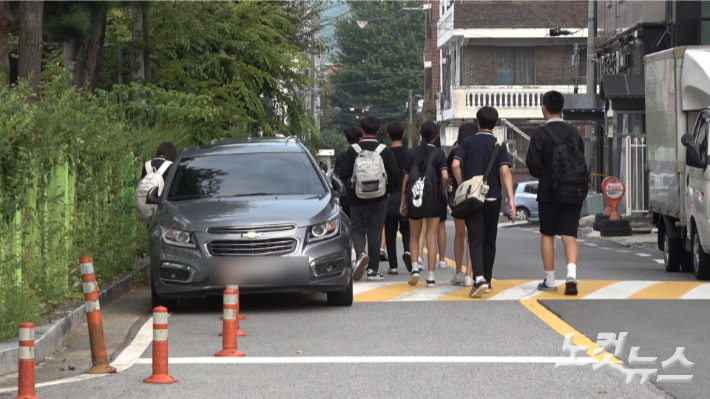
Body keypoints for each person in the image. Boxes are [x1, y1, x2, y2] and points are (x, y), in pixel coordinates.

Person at [525, 90, 585, 296]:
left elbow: (533, 166)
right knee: (570, 234)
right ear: (562, 109)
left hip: (548, 192)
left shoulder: (540, 135)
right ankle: (571, 276)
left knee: (548, 234)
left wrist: (547, 175)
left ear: (544, 108)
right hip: (573, 190)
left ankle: (550, 280)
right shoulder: (574, 133)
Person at [452, 107, 515, 298]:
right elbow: (505, 172)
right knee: (490, 239)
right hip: (493, 197)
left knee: (475, 238)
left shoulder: (468, 142)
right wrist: (511, 198)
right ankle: (487, 279)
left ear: (477, 121)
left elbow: (455, 164)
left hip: (473, 199)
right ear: (495, 123)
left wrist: (462, 185)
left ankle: (477, 278)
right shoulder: (499, 145)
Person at [339, 116, 400, 281]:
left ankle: (360, 254)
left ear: (362, 131)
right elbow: (395, 174)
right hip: (380, 198)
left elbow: (343, 174)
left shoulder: (353, 150)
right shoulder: (384, 150)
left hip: (357, 198)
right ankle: (373, 270)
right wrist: (389, 191)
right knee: (375, 232)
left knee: (357, 229)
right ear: (378, 131)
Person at [401, 121, 448, 287]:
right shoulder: (439, 154)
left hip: (414, 199)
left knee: (414, 236)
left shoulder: (412, 152)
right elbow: (445, 176)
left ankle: (414, 269)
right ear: (435, 136)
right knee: (431, 237)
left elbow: (406, 179)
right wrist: (441, 191)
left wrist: (403, 201)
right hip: (434, 201)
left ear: (421, 134)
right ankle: (431, 277)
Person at [447, 122, 479, 286]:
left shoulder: (454, 152)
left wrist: (460, 186)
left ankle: (458, 271)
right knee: (472, 234)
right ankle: (469, 274)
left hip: (458, 198)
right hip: (475, 195)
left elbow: (448, 174)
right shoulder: (477, 151)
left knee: (460, 233)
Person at [383, 121, 412, 275]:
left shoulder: (384, 154)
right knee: (406, 228)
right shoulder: (409, 153)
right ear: (403, 134)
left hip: (389, 197)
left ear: (388, 135)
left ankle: (393, 265)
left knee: (390, 231)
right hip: (405, 197)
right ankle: (407, 251)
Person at [334, 127, 362, 220]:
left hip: (346, 196)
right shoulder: (365, 154)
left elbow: (338, 177)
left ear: (347, 139)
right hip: (362, 194)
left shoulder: (342, 156)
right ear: (360, 138)